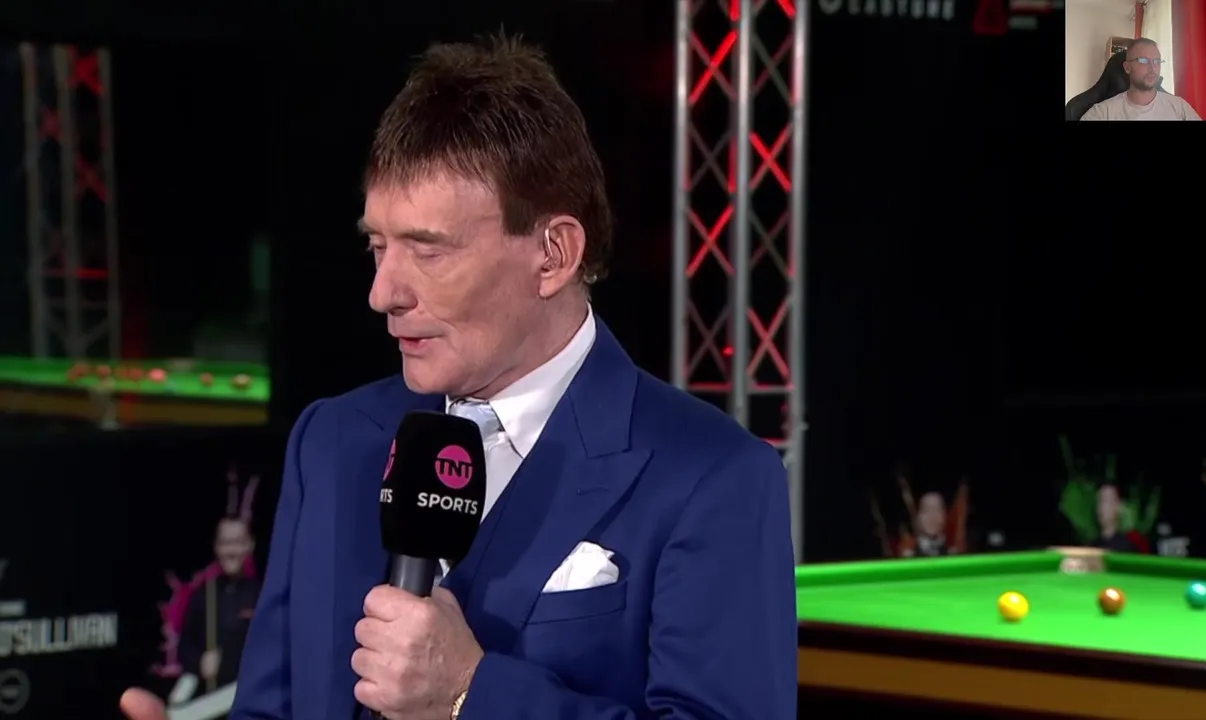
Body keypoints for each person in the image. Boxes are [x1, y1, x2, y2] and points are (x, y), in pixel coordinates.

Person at [121, 35, 796, 720]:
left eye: (429, 251)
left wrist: (470, 693)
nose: (383, 293)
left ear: (553, 254)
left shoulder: (712, 477)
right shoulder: (332, 442)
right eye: (378, 246)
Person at [176, 517, 262, 692]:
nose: (231, 551)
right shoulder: (203, 595)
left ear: (249, 546)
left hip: (251, 696)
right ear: (216, 547)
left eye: (238, 542)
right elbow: (184, 648)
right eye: (225, 543)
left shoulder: (263, 596)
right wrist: (199, 662)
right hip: (213, 698)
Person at [1081, 39, 1202, 121]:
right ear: (1127, 67)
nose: (1152, 68)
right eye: (1143, 61)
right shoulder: (1102, 113)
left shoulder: (1179, 107)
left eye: (1156, 61)